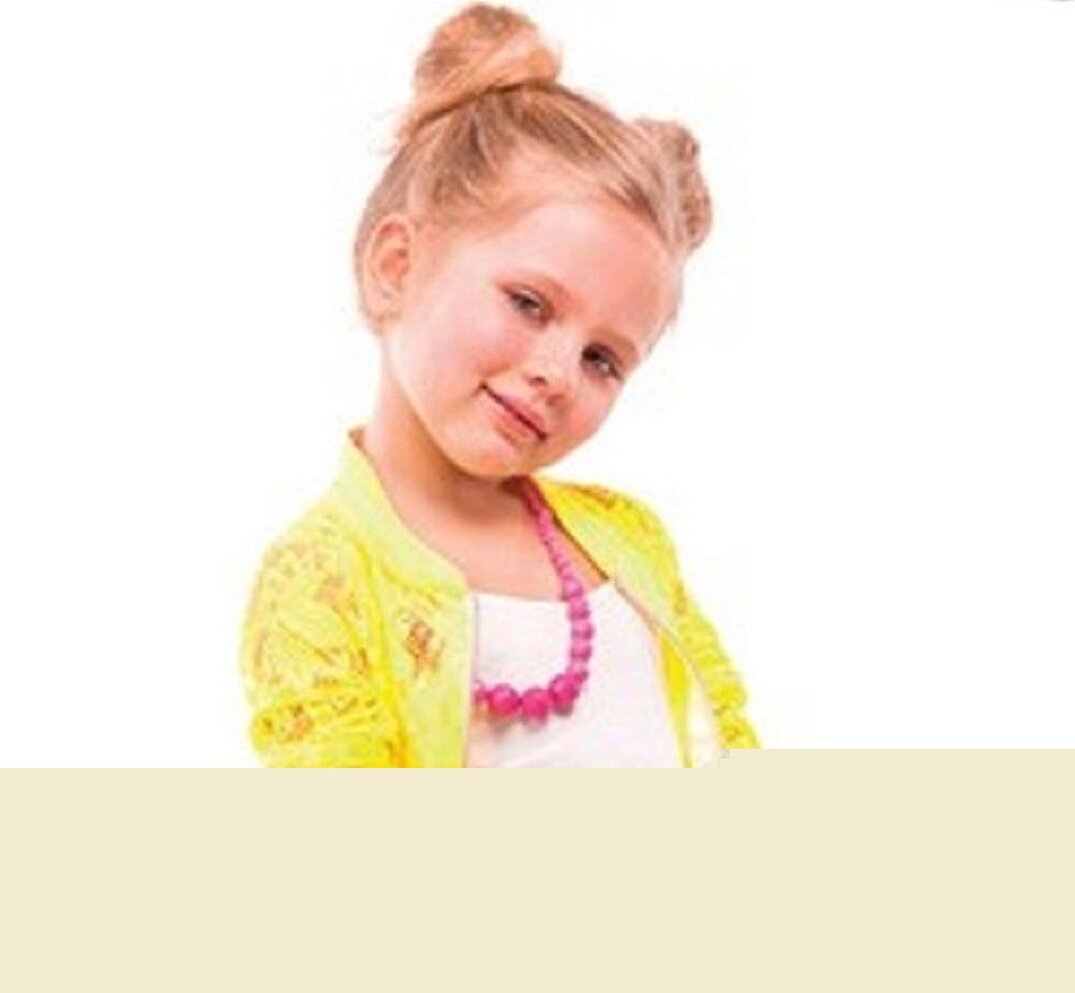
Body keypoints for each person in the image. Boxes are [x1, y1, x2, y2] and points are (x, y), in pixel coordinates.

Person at [239, 4, 761, 768]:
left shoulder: (630, 539)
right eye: (529, 304)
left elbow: (731, 734)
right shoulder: (321, 584)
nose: (558, 373)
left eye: (603, 360)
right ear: (396, 267)